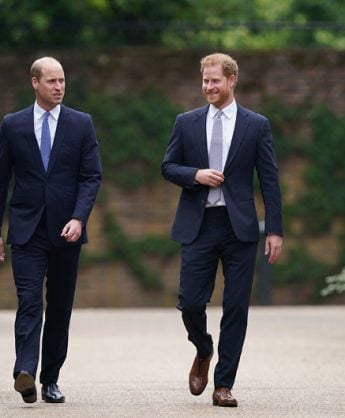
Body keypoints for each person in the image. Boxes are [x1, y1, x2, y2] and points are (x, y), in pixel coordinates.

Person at [161, 53, 283, 407]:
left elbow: (270, 181)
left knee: (236, 307)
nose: (208, 87)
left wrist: (274, 230)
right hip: (198, 225)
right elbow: (168, 166)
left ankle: (223, 384)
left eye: (215, 80)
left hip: (240, 228)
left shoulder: (256, 125)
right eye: (204, 80)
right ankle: (203, 348)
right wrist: (194, 175)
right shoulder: (186, 122)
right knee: (189, 302)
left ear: (232, 80)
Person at [0, 57, 102, 404]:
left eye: (62, 80)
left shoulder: (81, 123)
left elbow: (91, 177)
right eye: (52, 81)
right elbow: (2, 182)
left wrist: (79, 217)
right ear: (34, 83)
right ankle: (24, 372)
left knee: (59, 307)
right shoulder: (12, 125)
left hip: (66, 231)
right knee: (29, 301)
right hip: (26, 231)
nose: (59, 86)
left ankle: (51, 379)